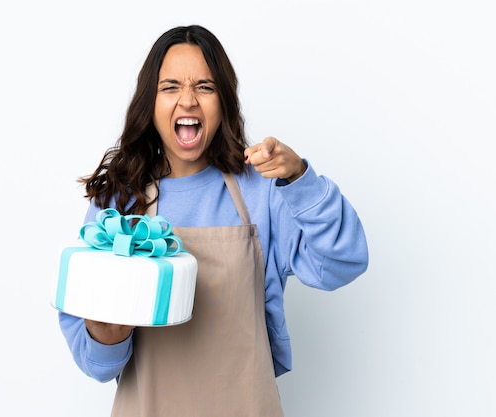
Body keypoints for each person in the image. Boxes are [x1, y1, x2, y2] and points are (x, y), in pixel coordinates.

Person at [58, 24, 368, 416]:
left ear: (224, 100)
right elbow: (96, 365)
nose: (187, 100)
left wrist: (300, 180)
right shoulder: (119, 203)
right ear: (149, 103)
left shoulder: (262, 191)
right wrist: (106, 334)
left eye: (204, 86)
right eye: (170, 87)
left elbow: (343, 262)